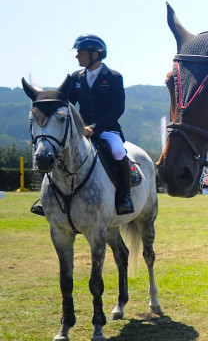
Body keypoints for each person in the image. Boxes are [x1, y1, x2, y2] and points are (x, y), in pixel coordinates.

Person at [31, 34, 132, 216]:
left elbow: (117, 109)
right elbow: (66, 103)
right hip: (81, 131)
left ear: (95, 54)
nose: (77, 56)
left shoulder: (114, 77)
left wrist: (95, 128)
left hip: (108, 129)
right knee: (57, 149)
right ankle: (47, 197)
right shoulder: (76, 78)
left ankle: (125, 196)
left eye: (81, 53)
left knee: (118, 151)